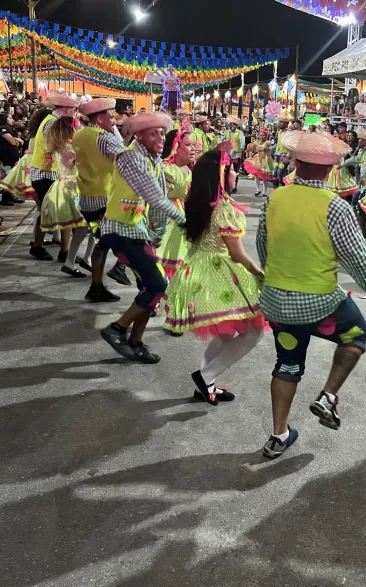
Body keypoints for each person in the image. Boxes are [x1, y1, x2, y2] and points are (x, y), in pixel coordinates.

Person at [255, 131, 366, 459]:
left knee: (287, 364)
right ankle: (329, 397)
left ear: (295, 162)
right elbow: (358, 259)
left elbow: (263, 246)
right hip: (320, 303)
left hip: (277, 304)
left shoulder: (274, 199)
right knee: (356, 334)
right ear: (332, 168)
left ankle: (278, 435)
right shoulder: (335, 206)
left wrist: (275, 279)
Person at [163, 150, 265, 402]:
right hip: (220, 273)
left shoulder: (196, 202)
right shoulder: (223, 209)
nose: (234, 172)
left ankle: (206, 382)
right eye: (229, 168)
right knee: (253, 331)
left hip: (199, 271)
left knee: (226, 332)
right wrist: (261, 273)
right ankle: (205, 376)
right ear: (218, 175)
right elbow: (238, 254)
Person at [98, 112, 186, 363]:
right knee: (158, 284)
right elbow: (156, 197)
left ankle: (135, 342)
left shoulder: (152, 158)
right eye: (153, 133)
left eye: (161, 133)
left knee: (152, 286)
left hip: (136, 229)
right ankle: (116, 330)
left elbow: (157, 199)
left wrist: (156, 232)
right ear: (139, 136)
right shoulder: (131, 158)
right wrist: (185, 220)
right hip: (121, 230)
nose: (160, 138)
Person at [73, 97, 130, 302]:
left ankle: (97, 286)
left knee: (102, 242)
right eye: (110, 114)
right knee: (130, 236)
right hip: (105, 199)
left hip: (87, 198)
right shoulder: (103, 138)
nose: (113, 119)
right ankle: (120, 267)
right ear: (99, 118)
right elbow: (126, 158)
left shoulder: (80, 135)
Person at [30, 92, 78, 261]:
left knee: (55, 211)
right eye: (72, 109)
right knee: (58, 211)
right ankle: (59, 250)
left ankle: (57, 249)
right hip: (46, 173)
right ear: (64, 109)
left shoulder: (53, 120)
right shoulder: (53, 123)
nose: (74, 112)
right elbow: (59, 147)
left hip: (51, 173)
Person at [38, 116, 89, 270]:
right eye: (76, 126)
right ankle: (74, 257)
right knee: (82, 223)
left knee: (75, 222)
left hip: (65, 183)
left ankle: (69, 255)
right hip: (72, 184)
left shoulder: (61, 145)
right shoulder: (68, 147)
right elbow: (79, 163)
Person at [157, 126, 195, 279]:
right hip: (165, 221)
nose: (193, 149)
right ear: (175, 148)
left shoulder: (187, 170)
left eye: (193, 145)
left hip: (181, 222)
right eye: (188, 145)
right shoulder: (166, 169)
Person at [0, 111, 23, 206]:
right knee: (8, 176)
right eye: (10, 118)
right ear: (4, 119)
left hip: (12, 157)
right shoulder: (2, 129)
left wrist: (17, 141)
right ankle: (5, 197)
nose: (12, 120)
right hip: (6, 158)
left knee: (12, 176)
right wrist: (18, 140)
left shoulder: (10, 129)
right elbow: (12, 141)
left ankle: (11, 195)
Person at [244, 130, 276, 197]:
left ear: (266, 136)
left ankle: (264, 192)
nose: (261, 136)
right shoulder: (256, 142)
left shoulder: (268, 142)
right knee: (256, 175)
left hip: (265, 160)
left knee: (265, 176)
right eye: (260, 135)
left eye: (263, 135)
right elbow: (251, 148)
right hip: (257, 159)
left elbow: (269, 149)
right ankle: (258, 190)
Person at [223, 116, 245, 192]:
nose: (233, 126)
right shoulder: (226, 132)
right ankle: (227, 186)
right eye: (231, 124)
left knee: (235, 171)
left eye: (234, 125)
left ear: (237, 126)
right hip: (226, 155)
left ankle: (234, 186)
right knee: (226, 171)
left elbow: (242, 143)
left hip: (236, 155)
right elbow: (221, 140)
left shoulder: (240, 133)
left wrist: (240, 150)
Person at [271, 111, 291, 187]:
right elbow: (277, 144)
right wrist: (268, 148)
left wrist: (288, 156)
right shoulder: (279, 132)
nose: (279, 124)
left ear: (286, 124)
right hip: (277, 155)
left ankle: (282, 191)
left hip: (284, 155)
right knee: (274, 174)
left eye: (281, 122)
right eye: (279, 122)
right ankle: (276, 192)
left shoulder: (289, 133)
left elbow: (290, 146)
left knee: (280, 175)